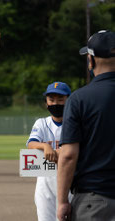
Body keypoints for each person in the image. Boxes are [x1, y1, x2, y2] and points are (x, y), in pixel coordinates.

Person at [57, 30, 115, 221]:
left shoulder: (79, 99)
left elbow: (68, 155)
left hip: (94, 200)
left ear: (91, 60)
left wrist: (62, 201)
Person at [27, 82, 71, 221]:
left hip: (70, 183)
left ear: (68, 100)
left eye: (60, 99)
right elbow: (31, 144)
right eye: (51, 100)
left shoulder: (76, 123)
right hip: (45, 183)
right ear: (46, 102)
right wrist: (45, 147)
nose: (55, 103)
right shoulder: (41, 123)